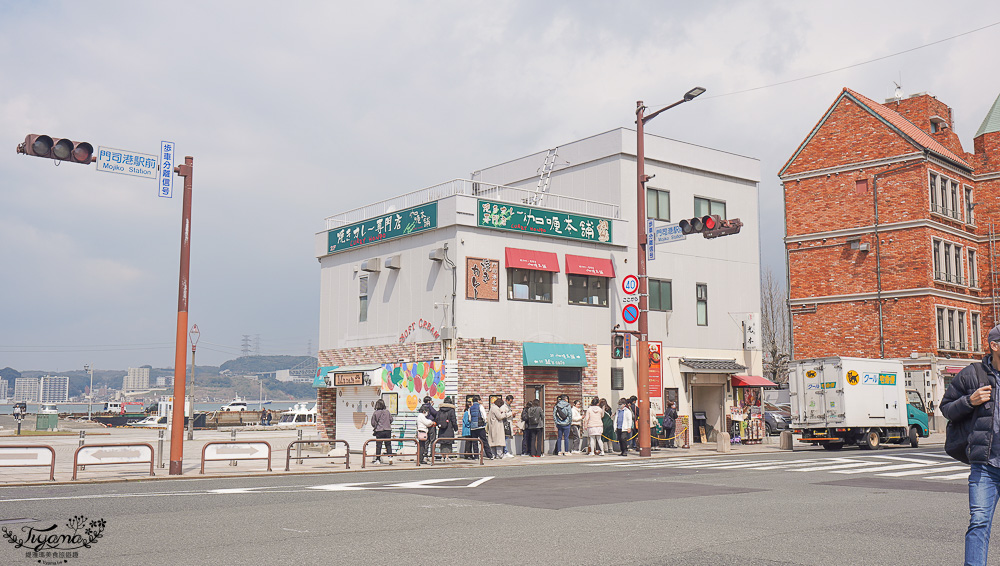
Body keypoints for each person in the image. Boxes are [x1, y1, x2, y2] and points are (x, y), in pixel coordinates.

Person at [941, 325, 1000, 565]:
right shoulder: (972, 374)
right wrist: (969, 400)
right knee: (979, 522)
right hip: (985, 466)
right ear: (995, 346)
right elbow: (946, 409)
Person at [370, 399, 394, 464]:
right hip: (388, 430)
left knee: (379, 445)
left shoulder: (375, 413)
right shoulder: (387, 412)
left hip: (379, 430)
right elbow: (391, 419)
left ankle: (378, 460)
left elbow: (373, 423)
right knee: (388, 444)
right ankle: (390, 457)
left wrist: (376, 426)